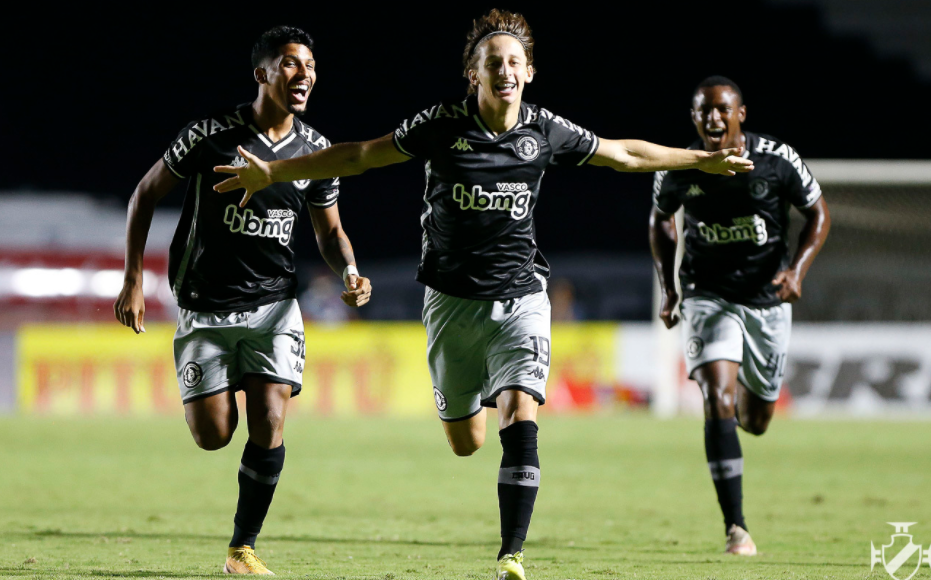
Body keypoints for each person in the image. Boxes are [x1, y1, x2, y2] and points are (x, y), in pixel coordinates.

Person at [213, 11, 752, 579]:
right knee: (467, 442)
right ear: (472, 74)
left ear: (530, 72)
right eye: (493, 63)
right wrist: (274, 173)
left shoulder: (544, 131)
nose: (505, 71)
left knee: (521, 412)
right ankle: (480, 406)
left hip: (522, 297)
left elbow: (624, 155)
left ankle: (511, 555)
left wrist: (702, 160)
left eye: (514, 62)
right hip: (450, 304)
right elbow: (361, 155)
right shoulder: (442, 125)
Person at [114, 26, 372, 575]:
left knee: (271, 417)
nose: (305, 75)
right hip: (204, 306)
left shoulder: (315, 151)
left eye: (311, 65)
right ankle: (213, 389)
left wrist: (349, 269)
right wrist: (133, 277)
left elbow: (329, 232)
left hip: (275, 307)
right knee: (213, 435)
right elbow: (144, 194)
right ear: (262, 73)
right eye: (291, 64)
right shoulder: (210, 135)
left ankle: (242, 548)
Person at [649, 76, 830, 556]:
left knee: (755, 419)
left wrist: (797, 270)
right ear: (694, 118)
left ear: (740, 115)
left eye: (721, 109)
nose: (713, 118)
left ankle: (747, 413)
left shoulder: (776, 160)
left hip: (767, 299)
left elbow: (818, 214)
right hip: (708, 295)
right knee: (717, 398)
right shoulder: (680, 168)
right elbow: (661, 220)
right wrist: (669, 289)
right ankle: (737, 528)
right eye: (703, 110)